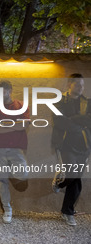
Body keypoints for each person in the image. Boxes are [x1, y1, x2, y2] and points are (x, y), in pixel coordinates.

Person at [51, 73, 90, 226]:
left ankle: (67, 211)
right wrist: (80, 122)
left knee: (77, 177)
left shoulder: (86, 102)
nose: (81, 88)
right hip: (65, 144)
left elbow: (90, 120)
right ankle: (60, 182)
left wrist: (73, 119)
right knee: (72, 174)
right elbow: (60, 122)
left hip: (84, 145)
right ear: (69, 85)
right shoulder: (59, 102)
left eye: (83, 85)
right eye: (78, 85)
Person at [0, 80, 30, 224]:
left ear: (9, 90)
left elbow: (25, 124)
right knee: (0, 180)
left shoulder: (21, 106)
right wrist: (15, 125)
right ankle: (7, 209)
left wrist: (5, 125)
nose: (0, 95)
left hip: (17, 147)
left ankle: (11, 175)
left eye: (2, 91)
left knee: (23, 173)